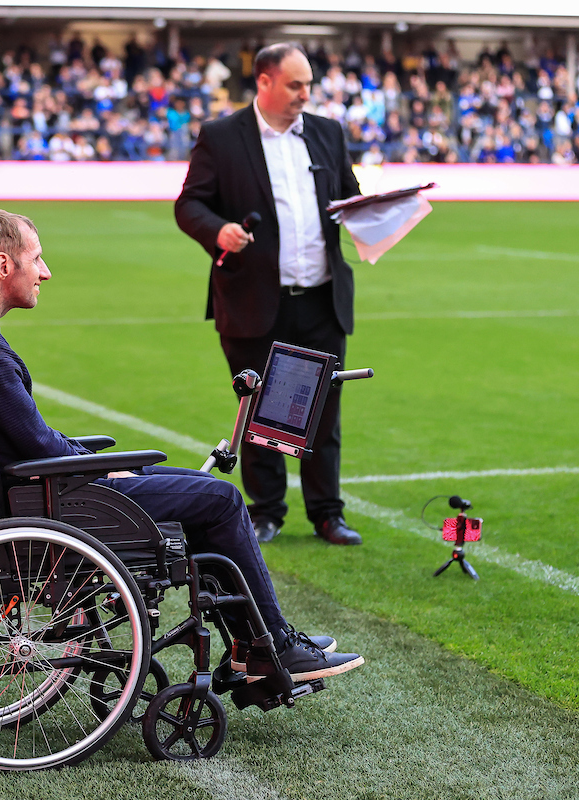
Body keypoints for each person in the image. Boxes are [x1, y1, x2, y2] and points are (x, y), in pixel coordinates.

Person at [0, 208, 364, 688]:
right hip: (43, 500)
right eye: (37, 259)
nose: (45, 272)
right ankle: (268, 646)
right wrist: (100, 472)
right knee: (223, 499)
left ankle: (250, 645)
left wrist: (95, 467)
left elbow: (30, 437)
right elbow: (37, 441)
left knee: (197, 485)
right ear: (3, 266)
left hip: (26, 489)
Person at [175, 42, 363, 546]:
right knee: (258, 407)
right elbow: (189, 204)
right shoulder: (221, 136)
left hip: (322, 296)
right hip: (253, 298)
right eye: (295, 85)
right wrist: (218, 231)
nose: (306, 94)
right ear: (264, 82)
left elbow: (350, 198)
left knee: (324, 409)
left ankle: (328, 513)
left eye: (309, 85)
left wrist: (379, 215)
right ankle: (265, 511)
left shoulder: (326, 132)